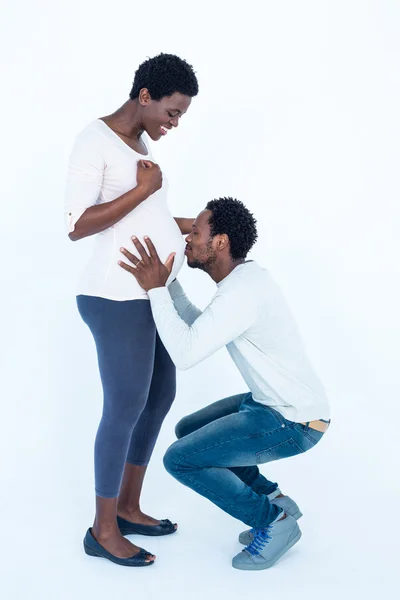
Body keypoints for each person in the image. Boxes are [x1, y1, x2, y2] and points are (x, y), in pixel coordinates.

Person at [118, 197, 331, 571]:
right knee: (189, 430)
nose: (188, 240)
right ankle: (275, 500)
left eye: (196, 233)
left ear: (220, 242)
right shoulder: (244, 282)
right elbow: (201, 326)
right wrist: (167, 285)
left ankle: (272, 522)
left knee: (181, 459)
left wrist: (154, 291)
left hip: (293, 422)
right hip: (272, 404)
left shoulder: (241, 293)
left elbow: (186, 353)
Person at [64, 53, 199, 567]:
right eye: (171, 112)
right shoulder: (93, 139)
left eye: (180, 115)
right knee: (124, 406)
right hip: (112, 296)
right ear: (145, 96)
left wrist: (187, 225)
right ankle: (101, 531)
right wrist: (145, 189)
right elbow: (78, 223)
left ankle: (126, 506)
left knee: (159, 393)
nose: (174, 123)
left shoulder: (137, 143)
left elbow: (146, 215)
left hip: (148, 296)